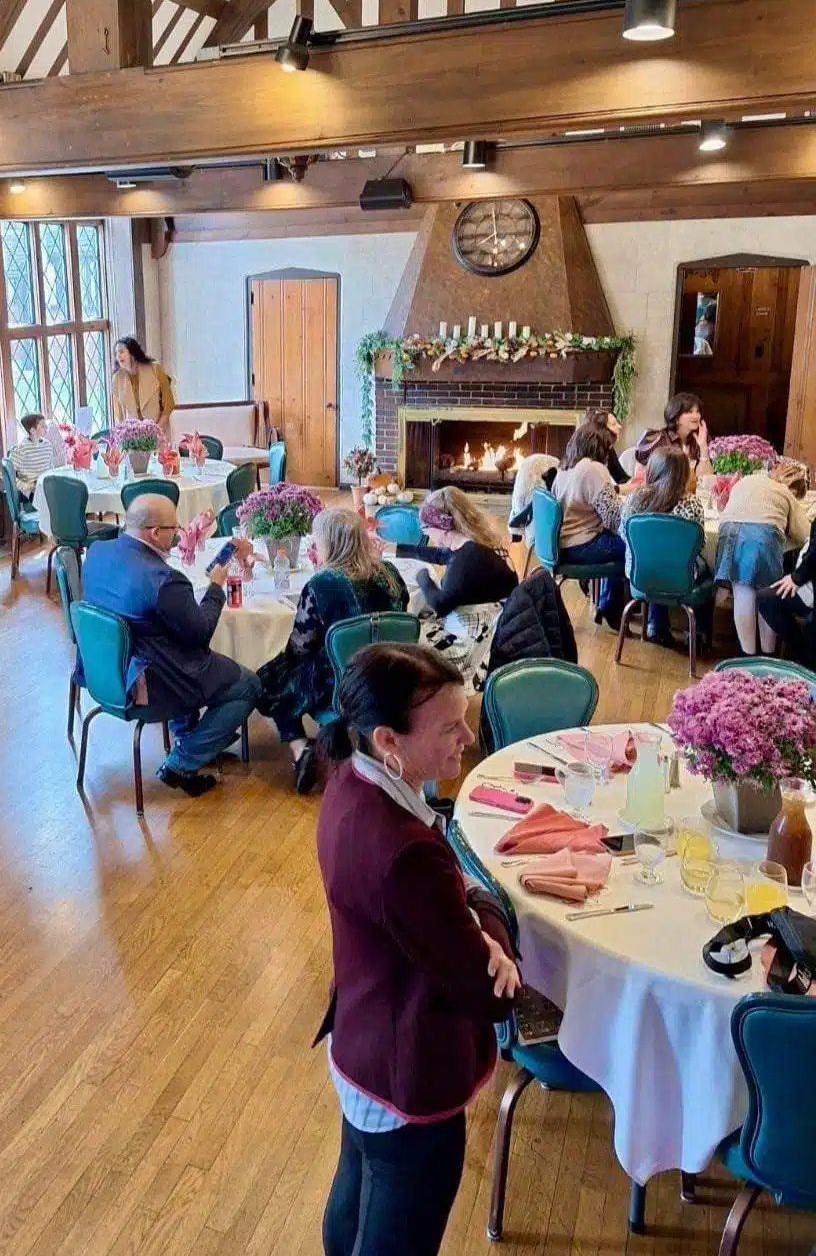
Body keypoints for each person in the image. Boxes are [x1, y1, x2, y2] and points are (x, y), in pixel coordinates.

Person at [314, 644, 520, 1256]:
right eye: (450, 726)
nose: (468, 737)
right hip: (406, 1069)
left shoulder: (351, 781)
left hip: (361, 1039)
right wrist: (487, 908)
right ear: (389, 741)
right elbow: (489, 993)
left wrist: (463, 900)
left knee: (354, 1197)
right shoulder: (404, 853)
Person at [81, 493, 260, 795]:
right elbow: (201, 632)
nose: (177, 536)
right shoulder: (164, 580)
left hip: (107, 669)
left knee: (175, 642)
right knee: (249, 685)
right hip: (153, 683)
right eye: (174, 530)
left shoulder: (97, 552)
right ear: (154, 533)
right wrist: (216, 587)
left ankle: (188, 734)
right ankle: (183, 760)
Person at [255, 509, 409, 794]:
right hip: (392, 676)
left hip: (340, 685)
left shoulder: (321, 584)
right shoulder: (390, 573)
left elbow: (300, 646)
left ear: (328, 543)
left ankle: (301, 747)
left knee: (267, 679)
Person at [715, 459, 811, 654]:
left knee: (742, 591)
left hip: (728, 532)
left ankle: (747, 655)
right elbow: (805, 534)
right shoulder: (785, 493)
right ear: (795, 489)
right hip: (762, 535)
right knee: (767, 594)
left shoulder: (747, 480)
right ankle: (768, 653)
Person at [620, 446, 710, 648]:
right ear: (683, 474)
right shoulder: (692, 504)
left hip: (639, 574)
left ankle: (656, 625)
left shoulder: (634, 499)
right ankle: (697, 633)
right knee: (705, 567)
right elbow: (699, 545)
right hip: (678, 577)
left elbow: (623, 534)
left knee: (653, 558)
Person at [551, 420, 627, 627]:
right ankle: (613, 605)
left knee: (617, 543)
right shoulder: (594, 469)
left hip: (561, 544)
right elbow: (614, 519)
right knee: (637, 545)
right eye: (608, 446)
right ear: (600, 445)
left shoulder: (565, 467)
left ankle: (607, 602)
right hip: (582, 545)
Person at [415, 487, 517, 617]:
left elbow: (440, 605)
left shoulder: (466, 559)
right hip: (505, 610)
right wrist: (396, 549)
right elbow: (439, 555)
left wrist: (422, 575)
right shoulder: (472, 542)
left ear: (442, 527)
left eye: (426, 530)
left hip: (496, 621)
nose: (428, 535)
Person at [757, 532, 816, 668]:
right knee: (767, 598)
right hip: (806, 585)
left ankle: (806, 657)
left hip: (805, 582)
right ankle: (803, 653)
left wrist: (797, 578)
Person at [635, 392, 713, 477]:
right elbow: (641, 476)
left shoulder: (698, 440)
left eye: (697, 411)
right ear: (676, 417)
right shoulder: (656, 439)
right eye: (690, 412)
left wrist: (703, 446)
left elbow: (705, 478)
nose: (696, 416)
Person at [111, 336, 176, 426]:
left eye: (121, 352)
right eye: (116, 353)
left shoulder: (155, 369)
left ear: (132, 353)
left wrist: (157, 429)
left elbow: (169, 404)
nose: (118, 356)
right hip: (132, 432)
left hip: (159, 428)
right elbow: (119, 416)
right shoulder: (117, 379)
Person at [7, 412, 56, 497]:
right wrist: (27, 486)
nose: (46, 428)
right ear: (33, 430)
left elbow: (51, 468)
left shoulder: (48, 445)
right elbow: (6, 475)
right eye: (43, 426)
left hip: (48, 487)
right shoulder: (21, 450)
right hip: (32, 492)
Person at [586, 408, 630, 484]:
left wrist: (637, 482)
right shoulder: (590, 453)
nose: (620, 426)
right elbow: (599, 489)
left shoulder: (609, 449)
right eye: (613, 424)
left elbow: (621, 478)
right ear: (602, 431)